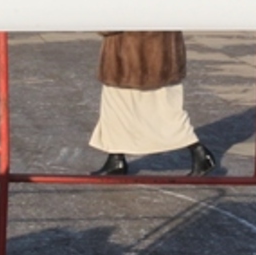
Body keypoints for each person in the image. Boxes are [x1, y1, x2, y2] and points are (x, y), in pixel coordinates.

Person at [89, 31, 216, 177]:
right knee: (157, 110)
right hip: (161, 54)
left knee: (127, 108)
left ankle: (200, 152)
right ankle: (116, 159)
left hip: (129, 55)